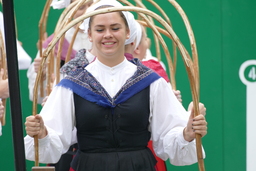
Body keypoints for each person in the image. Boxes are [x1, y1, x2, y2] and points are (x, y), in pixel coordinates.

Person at [24, 1, 207, 171]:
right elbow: (54, 139)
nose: (108, 34)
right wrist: (42, 134)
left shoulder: (151, 82)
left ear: (128, 33)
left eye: (115, 28)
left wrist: (186, 133)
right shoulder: (71, 84)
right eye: (100, 29)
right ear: (89, 34)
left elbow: (169, 136)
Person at [27, 0, 94, 104]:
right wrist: (44, 75)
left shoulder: (108, 40)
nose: (88, 11)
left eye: (91, 4)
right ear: (70, 10)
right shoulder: (55, 44)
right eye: (81, 7)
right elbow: (38, 97)